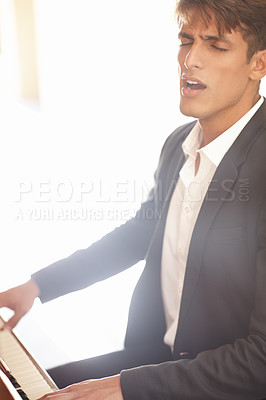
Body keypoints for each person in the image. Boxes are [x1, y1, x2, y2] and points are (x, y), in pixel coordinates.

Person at [1, 0, 266, 398]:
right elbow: (138, 234)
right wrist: (38, 285)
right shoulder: (179, 144)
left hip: (222, 380)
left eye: (216, 45)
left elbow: (260, 359)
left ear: (258, 64)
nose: (190, 59)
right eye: (185, 40)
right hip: (159, 356)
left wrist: (123, 388)